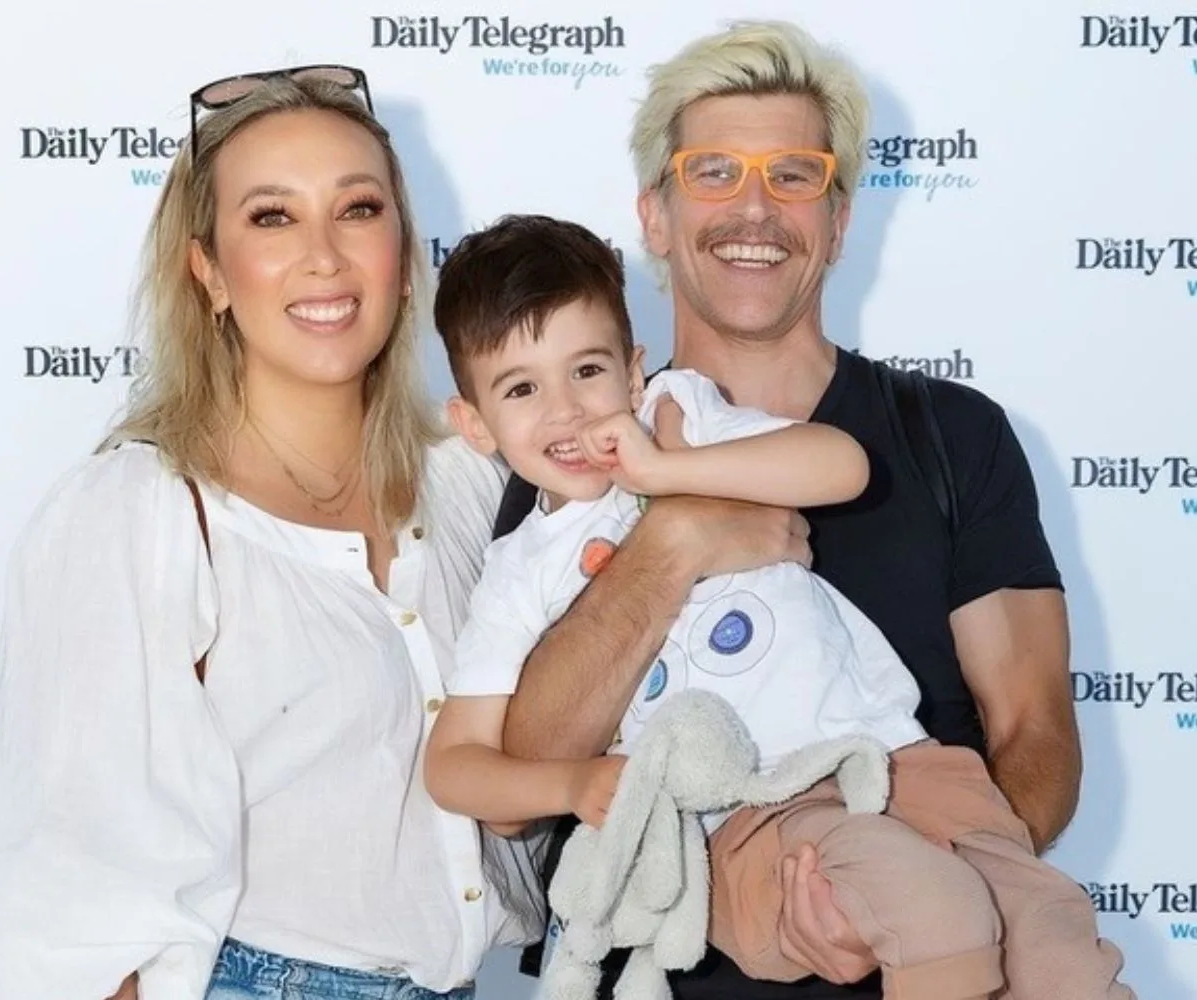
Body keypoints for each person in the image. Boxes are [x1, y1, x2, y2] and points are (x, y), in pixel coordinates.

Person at [491, 21, 1091, 1000]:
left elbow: (1035, 725)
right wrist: (675, 542)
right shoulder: (573, 455)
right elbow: (527, 767)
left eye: (795, 175)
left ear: (840, 219)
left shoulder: (952, 436)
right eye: (716, 171)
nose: (756, 209)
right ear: (654, 214)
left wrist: (926, 891)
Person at [423, 215, 1133, 1000]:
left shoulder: (679, 416)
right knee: (934, 912)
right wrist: (572, 785)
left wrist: (667, 469)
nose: (566, 411)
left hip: (897, 758)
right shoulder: (518, 568)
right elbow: (458, 766)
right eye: (522, 389)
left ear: (633, 372)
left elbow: (842, 465)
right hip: (757, 810)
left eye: (586, 370)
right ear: (475, 426)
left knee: (1056, 937)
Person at [0, 67, 542, 1000]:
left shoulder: (473, 482)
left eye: (357, 210)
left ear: (402, 255)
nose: (324, 256)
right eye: (272, 218)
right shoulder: (141, 512)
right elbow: (68, 909)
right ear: (209, 273)